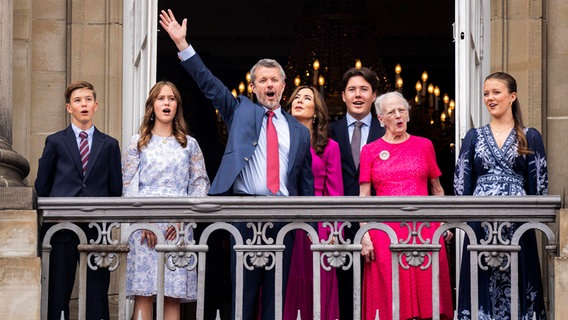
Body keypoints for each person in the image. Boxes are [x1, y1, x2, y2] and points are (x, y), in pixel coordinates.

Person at [159, 9, 314, 320]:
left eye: (274, 80)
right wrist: (182, 45)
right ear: (253, 87)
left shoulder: (298, 130)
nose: (269, 85)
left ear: (283, 86)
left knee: (275, 299)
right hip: (243, 212)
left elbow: (305, 179)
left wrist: (308, 224)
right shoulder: (238, 109)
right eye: (262, 80)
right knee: (242, 294)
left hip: (283, 215)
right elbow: (208, 82)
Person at [454, 72, 549, 320]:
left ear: (512, 96)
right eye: (486, 93)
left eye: (496, 92)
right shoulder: (473, 137)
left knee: (519, 278)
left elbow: (539, 185)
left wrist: (529, 218)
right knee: (480, 281)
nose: (490, 98)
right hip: (480, 223)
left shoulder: (530, 135)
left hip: (517, 223)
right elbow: (461, 181)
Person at [359, 91, 454, 320]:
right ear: (380, 119)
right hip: (385, 233)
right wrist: (364, 234)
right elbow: (363, 197)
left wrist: (442, 223)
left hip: (424, 230)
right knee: (391, 302)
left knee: (428, 302)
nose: (398, 115)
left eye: (402, 110)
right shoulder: (369, 151)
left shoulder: (424, 146)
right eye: (391, 112)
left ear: (409, 115)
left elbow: (437, 189)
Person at [122, 81, 210, 320]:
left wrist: (183, 221)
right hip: (144, 226)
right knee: (144, 294)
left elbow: (200, 183)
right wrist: (144, 221)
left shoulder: (189, 144)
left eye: (171, 98)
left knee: (173, 296)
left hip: (178, 225)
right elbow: (128, 185)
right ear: (152, 105)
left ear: (177, 106)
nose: (167, 102)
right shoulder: (138, 141)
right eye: (161, 98)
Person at [35, 81, 122, 320]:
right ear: (68, 108)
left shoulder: (110, 145)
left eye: (87, 100)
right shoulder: (55, 141)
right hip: (61, 227)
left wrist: (108, 223)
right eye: (77, 100)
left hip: (96, 228)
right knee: (58, 288)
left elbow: (116, 189)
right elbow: (42, 185)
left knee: (96, 290)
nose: (83, 104)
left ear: (95, 105)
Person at [329, 66, 385, 320]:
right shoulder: (330, 130)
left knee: (379, 291)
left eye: (364, 89)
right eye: (352, 90)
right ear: (343, 96)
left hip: (379, 222)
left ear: (374, 95)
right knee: (341, 290)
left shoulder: (387, 131)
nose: (358, 95)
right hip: (338, 222)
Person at [284, 86, 343, 320]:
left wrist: (334, 232)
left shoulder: (330, 147)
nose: (299, 100)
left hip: (318, 229)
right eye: (296, 98)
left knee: (317, 285)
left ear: (316, 112)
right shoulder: (280, 142)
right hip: (285, 222)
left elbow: (335, 194)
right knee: (285, 284)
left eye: (306, 98)